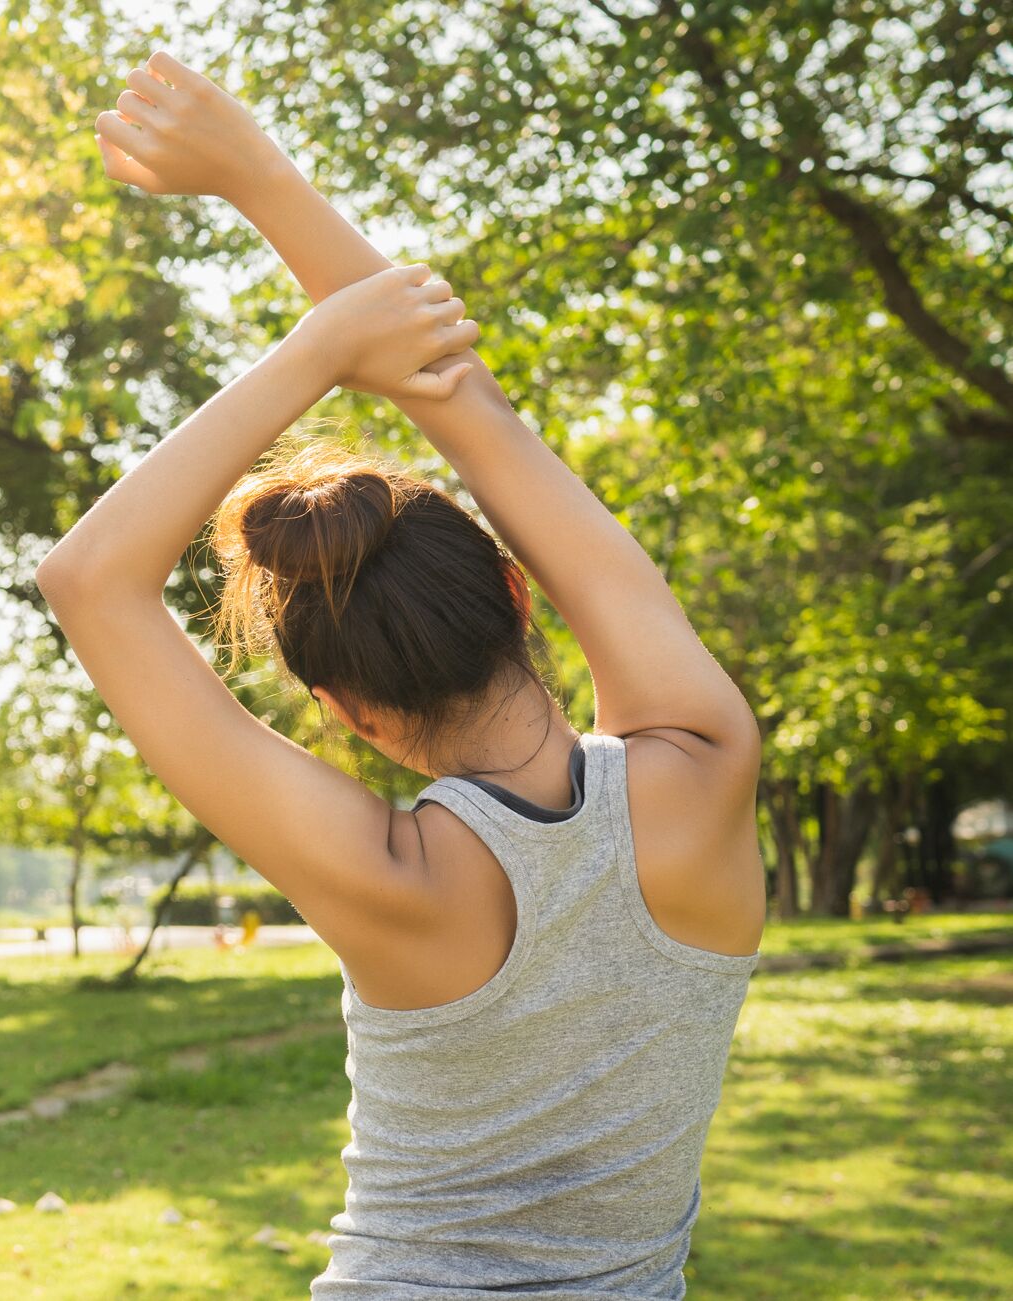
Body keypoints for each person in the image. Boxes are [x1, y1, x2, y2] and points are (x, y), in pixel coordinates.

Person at [37, 50, 768, 1298]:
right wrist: (263, 184)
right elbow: (465, 401)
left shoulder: (389, 878)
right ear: (514, 590)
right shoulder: (702, 766)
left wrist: (316, 348)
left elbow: (87, 577)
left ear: (345, 712)